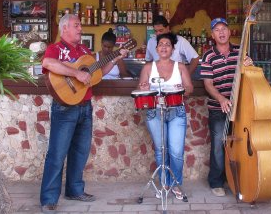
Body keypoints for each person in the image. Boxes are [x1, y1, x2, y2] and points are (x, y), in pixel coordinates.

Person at [40, 14, 128, 213]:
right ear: (65, 29)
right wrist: (76, 73)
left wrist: (116, 58)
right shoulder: (56, 48)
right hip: (64, 107)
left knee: (80, 152)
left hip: (85, 106)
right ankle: (48, 198)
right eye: (77, 25)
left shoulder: (85, 51)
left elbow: (98, 73)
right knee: (57, 153)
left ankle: (74, 190)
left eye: (80, 25)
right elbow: (48, 64)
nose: (80, 29)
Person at [200, 18, 253, 197]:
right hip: (218, 107)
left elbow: (250, 76)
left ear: (230, 32)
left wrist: (249, 65)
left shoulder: (240, 51)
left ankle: (239, 178)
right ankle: (216, 181)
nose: (221, 32)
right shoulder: (208, 55)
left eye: (224, 29)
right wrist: (222, 99)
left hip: (240, 106)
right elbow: (208, 84)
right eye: (217, 30)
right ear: (212, 35)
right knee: (218, 145)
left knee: (240, 143)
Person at [138, 32, 193, 200]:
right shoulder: (148, 67)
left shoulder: (180, 67)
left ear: (173, 49)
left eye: (167, 44)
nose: (163, 47)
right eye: (161, 44)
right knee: (161, 151)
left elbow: (190, 88)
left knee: (176, 152)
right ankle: (164, 184)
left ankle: (176, 183)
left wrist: (182, 89)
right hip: (155, 112)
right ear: (156, 48)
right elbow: (141, 89)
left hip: (177, 112)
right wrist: (143, 87)